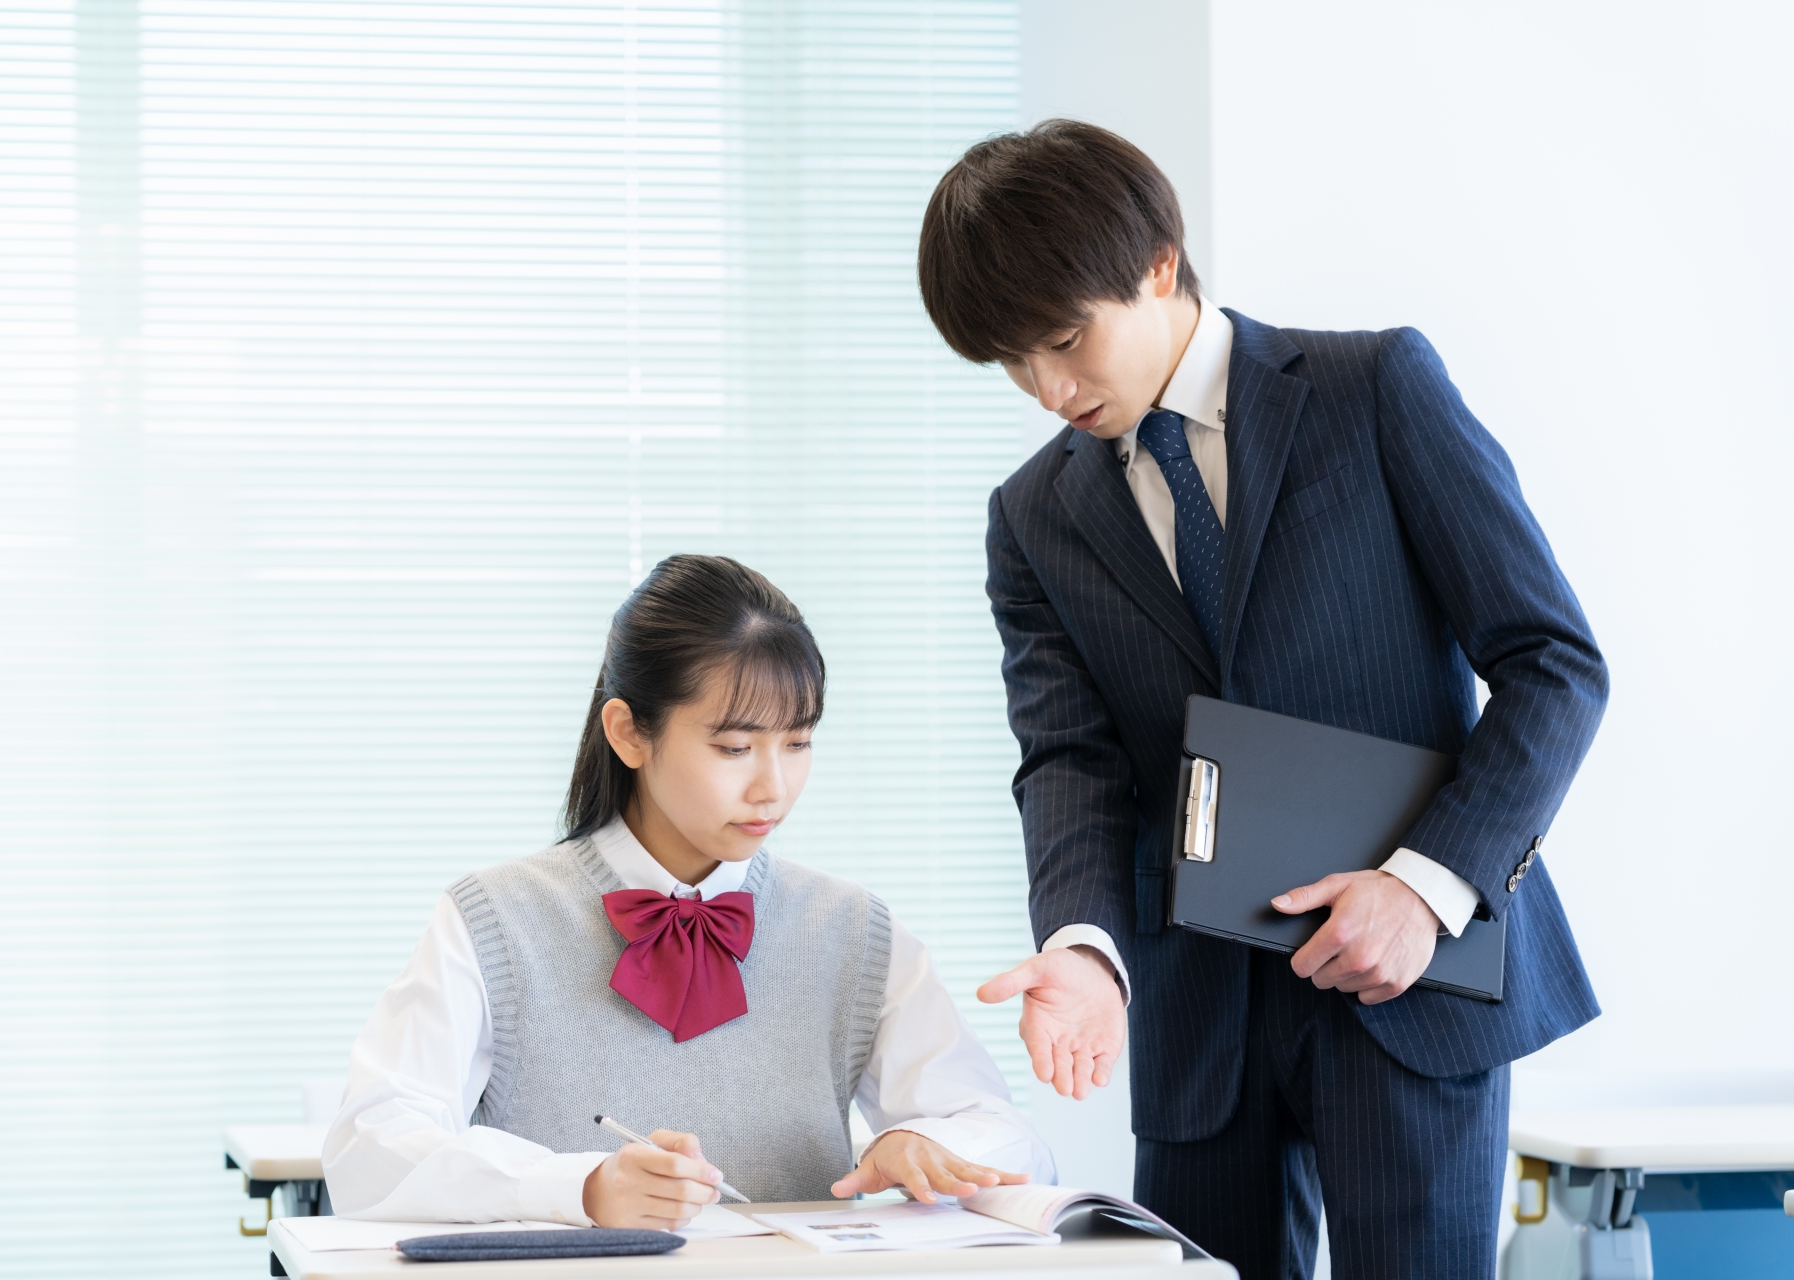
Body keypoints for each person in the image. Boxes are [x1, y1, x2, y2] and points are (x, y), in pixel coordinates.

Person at [918, 120, 1607, 1279]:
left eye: (1064, 341)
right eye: (1012, 363)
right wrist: (1083, 947)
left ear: (1159, 263)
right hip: (1201, 1017)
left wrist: (1424, 885)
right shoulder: (1032, 514)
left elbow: (1554, 661)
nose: (1048, 389)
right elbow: (1071, 760)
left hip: (1409, 982)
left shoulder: (1373, 387)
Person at [322, 554, 1052, 1230]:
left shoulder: (852, 928)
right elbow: (368, 1148)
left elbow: (1007, 1137)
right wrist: (580, 1187)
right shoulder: (494, 920)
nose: (774, 787)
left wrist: (923, 1142)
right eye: (734, 748)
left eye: (798, 742)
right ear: (628, 733)